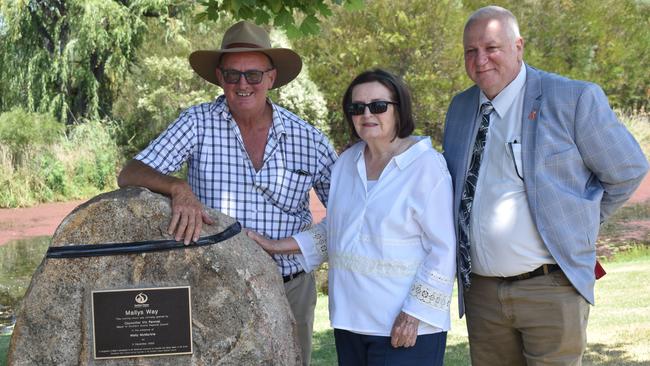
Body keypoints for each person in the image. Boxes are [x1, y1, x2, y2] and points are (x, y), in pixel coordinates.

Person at [117, 21, 337, 365]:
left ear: (271, 78)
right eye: (232, 75)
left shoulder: (309, 141)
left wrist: (297, 246)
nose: (242, 84)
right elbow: (130, 173)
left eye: (253, 75)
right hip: (214, 287)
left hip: (290, 286)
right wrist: (178, 187)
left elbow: (350, 214)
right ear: (220, 77)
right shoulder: (196, 123)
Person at [442, 5, 649, 365]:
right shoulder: (460, 107)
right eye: (470, 52)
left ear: (518, 45)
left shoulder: (572, 98)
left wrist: (577, 223)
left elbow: (627, 169)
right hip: (482, 294)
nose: (481, 60)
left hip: (550, 289)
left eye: (492, 48)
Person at [248, 69, 456, 366]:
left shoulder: (426, 166)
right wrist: (276, 245)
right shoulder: (346, 163)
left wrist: (415, 314)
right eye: (356, 108)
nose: (367, 114)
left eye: (378, 106)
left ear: (399, 109)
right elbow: (338, 229)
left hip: (405, 326)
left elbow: (443, 248)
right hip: (350, 321)